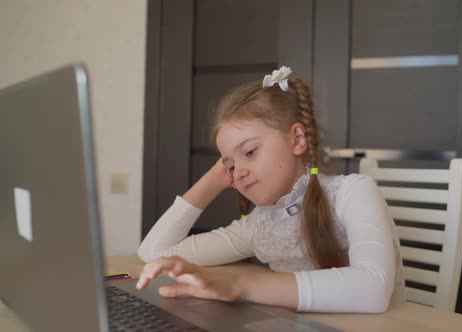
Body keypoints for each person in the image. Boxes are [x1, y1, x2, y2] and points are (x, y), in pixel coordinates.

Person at [136, 66, 405, 313]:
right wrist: (213, 179)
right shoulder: (259, 226)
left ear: (297, 139)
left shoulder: (353, 192)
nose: (238, 171)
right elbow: (155, 252)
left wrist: (241, 286)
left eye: (250, 152)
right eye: (230, 164)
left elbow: (373, 288)